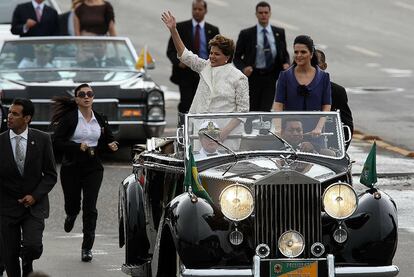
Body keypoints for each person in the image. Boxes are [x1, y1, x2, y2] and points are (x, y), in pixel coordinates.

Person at [51, 84, 118, 262]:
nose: (86, 97)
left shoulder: (101, 119)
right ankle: (71, 214)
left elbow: (108, 140)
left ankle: (87, 247)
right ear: (76, 99)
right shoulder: (69, 119)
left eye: (90, 94)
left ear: (93, 98)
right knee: (73, 203)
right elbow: (56, 141)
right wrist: (76, 146)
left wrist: (111, 145)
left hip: (93, 167)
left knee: (90, 207)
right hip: (72, 166)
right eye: (82, 94)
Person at [162, 11, 249, 139]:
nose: (212, 57)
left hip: (226, 136)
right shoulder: (205, 66)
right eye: (211, 53)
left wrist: (223, 133)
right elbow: (185, 55)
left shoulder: (239, 78)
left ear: (227, 57)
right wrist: (174, 30)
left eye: (217, 54)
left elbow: (242, 112)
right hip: (199, 131)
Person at [0, 98, 57, 277]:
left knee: (32, 247)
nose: (9, 116)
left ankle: (28, 262)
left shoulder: (42, 139)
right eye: (9, 112)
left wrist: (35, 196)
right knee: (9, 254)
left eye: (15, 114)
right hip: (7, 207)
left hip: (33, 205)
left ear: (27, 118)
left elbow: (50, 175)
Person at [234, 1, 290, 113]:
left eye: (266, 12)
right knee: (251, 108)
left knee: (266, 109)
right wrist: (244, 68)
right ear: (256, 14)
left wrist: (286, 64)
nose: (263, 15)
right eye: (260, 12)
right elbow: (236, 57)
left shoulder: (279, 32)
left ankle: (264, 131)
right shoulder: (247, 34)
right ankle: (248, 130)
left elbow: (284, 53)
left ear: (270, 14)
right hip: (253, 76)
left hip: (271, 76)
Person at [167, 0, 220, 114]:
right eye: (194, 9)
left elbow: (218, 51)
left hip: (205, 72)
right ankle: (184, 128)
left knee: (205, 104)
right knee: (186, 103)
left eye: (200, 9)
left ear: (205, 11)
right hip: (186, 73)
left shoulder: (213, 30)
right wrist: (179, 62)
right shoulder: (180, 27)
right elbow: (170, 50)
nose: (197, 12)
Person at [273, 35, 331, 136]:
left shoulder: (323, 77)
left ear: (311, 54)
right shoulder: (285, 76)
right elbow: (278, 105)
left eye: (303, 52)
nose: (299, 55)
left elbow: (326, 106)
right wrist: (278, 129)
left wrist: (319, 128)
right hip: (290, 133)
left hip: (314, 133)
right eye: (296, 52)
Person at [316, 49, 354, 150]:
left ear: (324, 66)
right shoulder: (294, 88)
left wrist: (339, 150)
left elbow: (346, 124)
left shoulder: (336, 91)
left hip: (327, 146)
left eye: (316, 64)